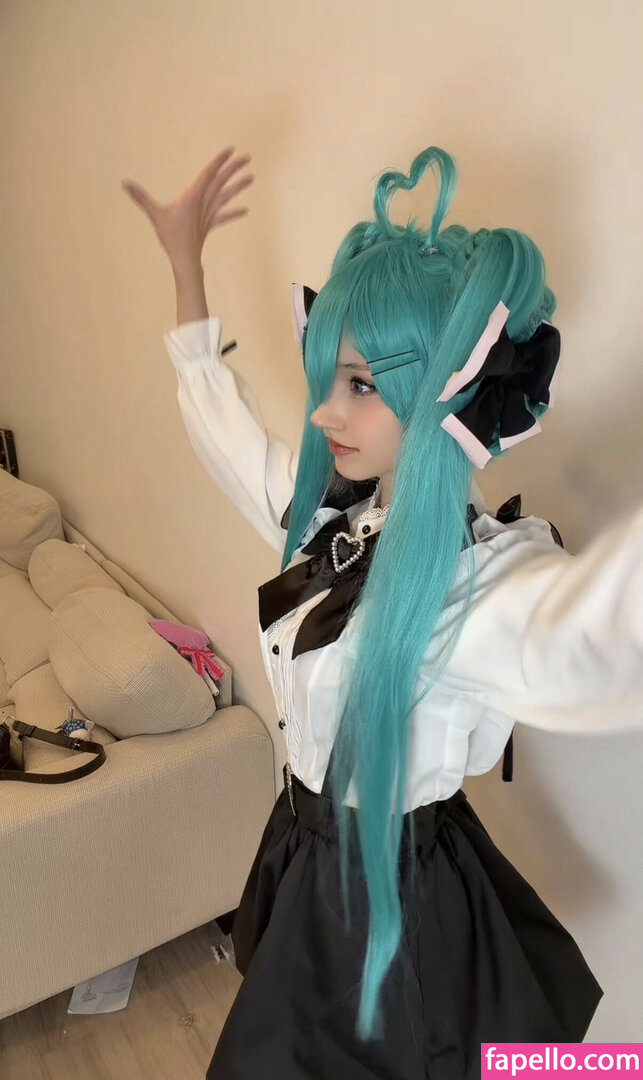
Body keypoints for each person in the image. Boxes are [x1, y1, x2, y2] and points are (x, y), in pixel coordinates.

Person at [123, 145, 643, 1080]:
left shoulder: (479, 585)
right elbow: (231, 440)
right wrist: (185, 267)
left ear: (444, 391)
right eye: (329, 377)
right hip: (308, 858)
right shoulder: (338, 526)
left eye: (362, 385)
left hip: (393, 904)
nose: (326, 413)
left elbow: (590, 633)